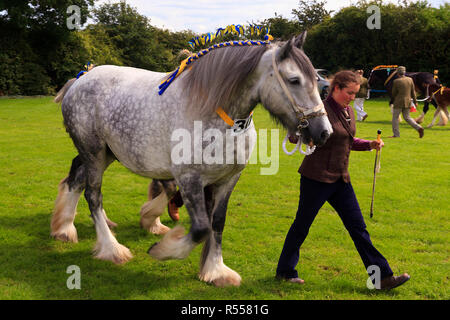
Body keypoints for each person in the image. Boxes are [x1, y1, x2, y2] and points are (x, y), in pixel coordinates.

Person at [276, 70, 410, 290]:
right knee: (302, 226)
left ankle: (381, 278)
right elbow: (295, 136)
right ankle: (284, 271)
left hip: (340, 179)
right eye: (349, 92)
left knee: (358, 228)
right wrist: (299, 133)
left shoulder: (348, 110)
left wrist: (369, 144)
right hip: (316, 178)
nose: (352, 97)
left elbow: (347, 140)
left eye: (355, 93)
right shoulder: (319, 110)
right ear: (335, 88)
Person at [390, 66, 424, 138]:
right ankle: (419, 128)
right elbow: (413, 92)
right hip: (408, 101)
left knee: (395, 118)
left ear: (397, 73)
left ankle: (396, 135)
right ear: (404, 72)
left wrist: (392, 100)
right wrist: (415, 101)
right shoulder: (410, 79)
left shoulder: (396, 81)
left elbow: (393, 93)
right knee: (407, 117)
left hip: (398, 102)